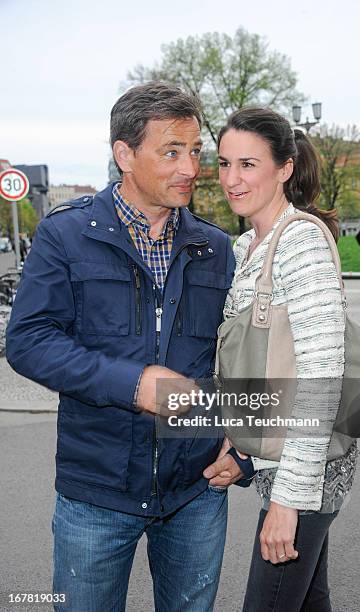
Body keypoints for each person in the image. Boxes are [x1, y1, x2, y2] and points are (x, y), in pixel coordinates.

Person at [6, 82, 253, 612]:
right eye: (171, 152)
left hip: (197, 491)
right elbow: (27, 340)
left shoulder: (214, 248)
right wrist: (133, 383)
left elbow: (241, 358)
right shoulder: (66, 235)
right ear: (124, 154)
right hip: (96, 493)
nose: (190, 167)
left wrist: (245, 446)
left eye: (194, 152)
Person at [217, 107, 359, 612]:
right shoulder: (245, 246)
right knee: (307, 601)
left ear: (285, 168)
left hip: (308, 471)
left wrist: (287, 502)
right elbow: (256, 366)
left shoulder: (298, 242)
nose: (232, 179)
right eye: (224, 163)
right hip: (280, 462)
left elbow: (321, 377)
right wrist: (241, 451)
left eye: (249, 164)